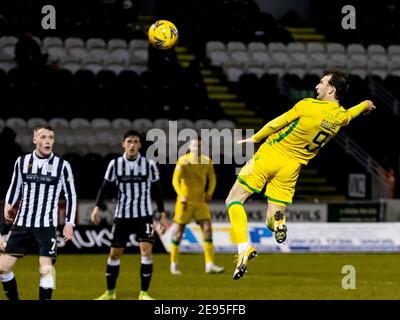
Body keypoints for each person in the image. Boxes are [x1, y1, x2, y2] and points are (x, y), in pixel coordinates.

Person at [225, 70, 376, 280]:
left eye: (321, 83)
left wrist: (255, 138)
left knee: (234, 199)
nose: (317, 86)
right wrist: (366, 104)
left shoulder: (308, 105)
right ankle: (279, 224)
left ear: (331, 89)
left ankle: (243, 247)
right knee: (272, 218)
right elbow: (352, 113)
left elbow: (277, 122)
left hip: (271, 153)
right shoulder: (340, 118)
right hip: (292, 168)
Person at [0, 125, 77, 299]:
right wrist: (8, 204)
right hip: (21, 223)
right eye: (42, 137)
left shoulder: (62, 165)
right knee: (2, 268)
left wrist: (69, 222)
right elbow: (15, 187)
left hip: (46, 226)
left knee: (46, 269)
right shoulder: (22, 162)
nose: (47, 140)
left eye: (50, 137)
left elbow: (71, 195)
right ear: (35, 140)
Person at [91, 130, 168, 300]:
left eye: (135, 141)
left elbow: (157, 190)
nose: (132, 145)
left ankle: (144, 293)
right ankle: (110, 292)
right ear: (123, 144)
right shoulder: (115, 164)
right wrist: (97, 207)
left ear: (140, 145)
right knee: (114, 254)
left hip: (144, 216)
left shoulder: (149, 165)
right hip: (122, 216)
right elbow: (105, 187)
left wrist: (161, 214)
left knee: (146, 252)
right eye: (129, 141)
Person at [170, 138, 224, 275]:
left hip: (200, 202)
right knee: (178, 233)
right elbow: (175, 180)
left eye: (199, 146)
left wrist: (209, 193)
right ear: (190, 147)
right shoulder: (183, 161)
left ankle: (209, 264)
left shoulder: (207, 161)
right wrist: (181, 195)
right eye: (194, 145)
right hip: (185, 203)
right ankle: (173, 264)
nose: (196, 148)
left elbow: (212, 178)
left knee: (208, 230)